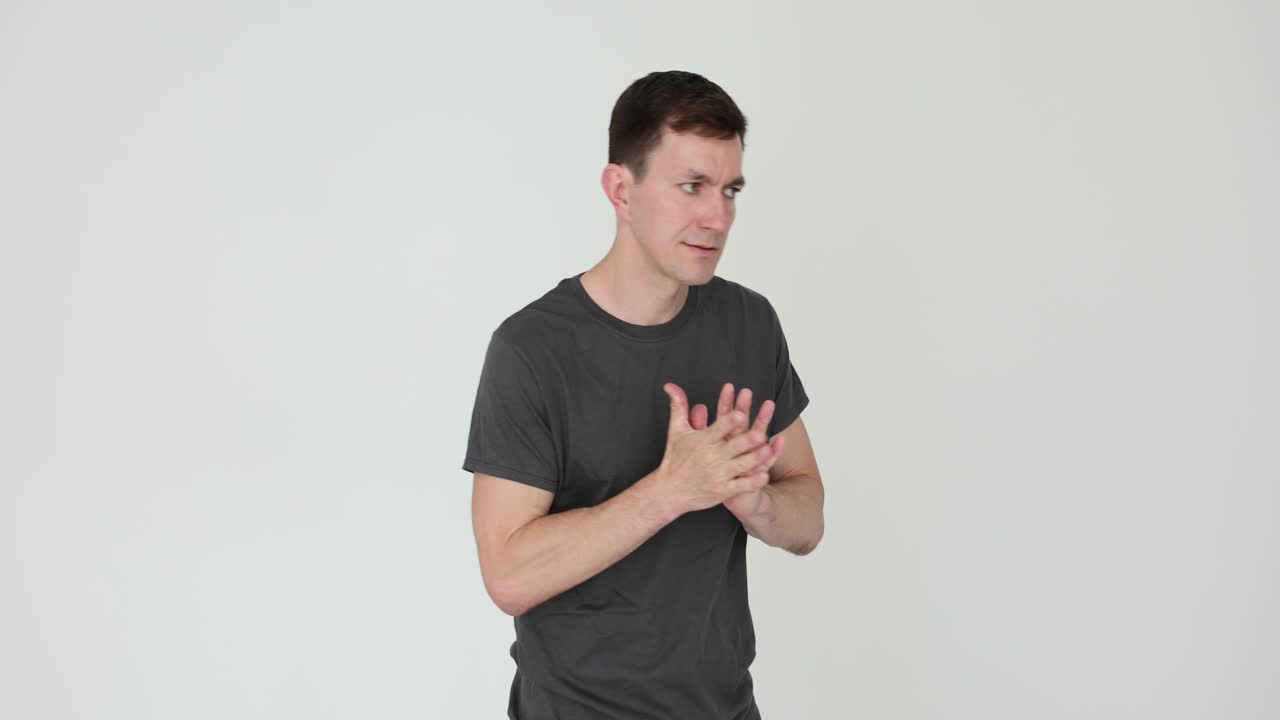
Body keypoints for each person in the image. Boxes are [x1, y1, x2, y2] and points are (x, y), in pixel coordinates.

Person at [463, 70, 824, 719]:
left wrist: (757, 503)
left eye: (731, 190)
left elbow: (809, 520)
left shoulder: (749, 324)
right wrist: (672, 490)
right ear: (620, 190)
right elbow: (508, 576)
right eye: (692, 186)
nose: (718, 217)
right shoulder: (531, 350)